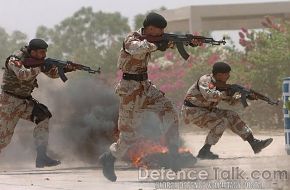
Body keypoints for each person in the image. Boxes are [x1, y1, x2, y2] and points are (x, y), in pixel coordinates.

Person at [98, 12, 193, 182]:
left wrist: (189, 41)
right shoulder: (132, 38)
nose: (161, 34)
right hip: (130, 90)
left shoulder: (155, 39)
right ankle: (108, 158)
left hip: (146, 86)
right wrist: (158, 43)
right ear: (149, 28)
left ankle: (173, 154)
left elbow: (168, 43)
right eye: (159, 31)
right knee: (129, 135)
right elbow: (138, 48)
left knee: (169, 112)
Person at [0, 39, 75, 167]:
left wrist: (67, 69)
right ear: (32, 51)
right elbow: (22, 74)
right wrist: (40, 68)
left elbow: (52, 74)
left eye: (45, 52)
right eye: (41, 52)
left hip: (24, 101)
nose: (44, 55)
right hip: (9, 102)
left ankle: (41, 157)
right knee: (3, 140)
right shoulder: (15, 59)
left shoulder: (38, 62)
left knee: (43, 116)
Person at [181, 61, 273, 159]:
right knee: (221, 122)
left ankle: (254, 143)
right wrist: (227, 91)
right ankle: (205, 151)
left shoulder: (222, 85)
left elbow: (231, 102)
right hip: (192, 110)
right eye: (227, 74)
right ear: (220, 74)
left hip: (207, 110)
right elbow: (210, 95)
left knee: (231, 115)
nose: (229, 76)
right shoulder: (205, 80)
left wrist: (244, 97)